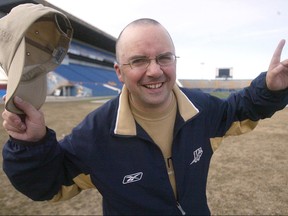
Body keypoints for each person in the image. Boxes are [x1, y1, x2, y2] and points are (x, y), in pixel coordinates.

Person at [2, 18, 288, 215]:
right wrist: (32, 145)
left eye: (164, 57)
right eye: (139, 60)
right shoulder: (95, 134)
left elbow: (241, 108)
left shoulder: (201, 109)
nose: (155, 70)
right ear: (119, 71)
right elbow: (48, 185)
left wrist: (270, 88)